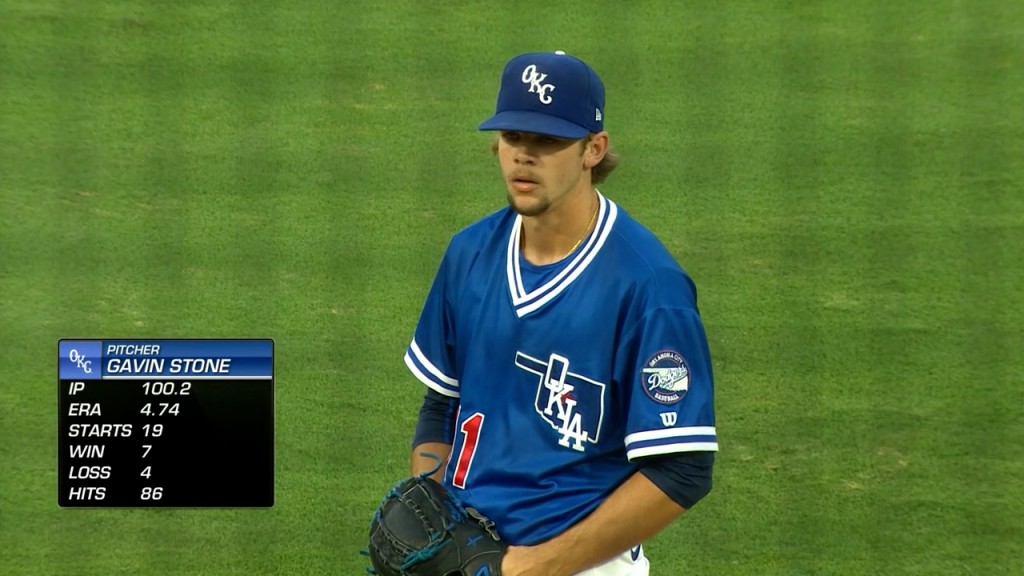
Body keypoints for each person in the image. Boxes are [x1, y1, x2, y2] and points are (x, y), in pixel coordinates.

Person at [403, 50, 717, 576]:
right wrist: (430, 521)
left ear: (594, 149)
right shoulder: (469, 254)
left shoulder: (650, 287)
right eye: (513, 138)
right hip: (467, 554)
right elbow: (442, 405)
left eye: (548, 141)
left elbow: (682, 471)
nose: (524, 156)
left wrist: (534, 568)